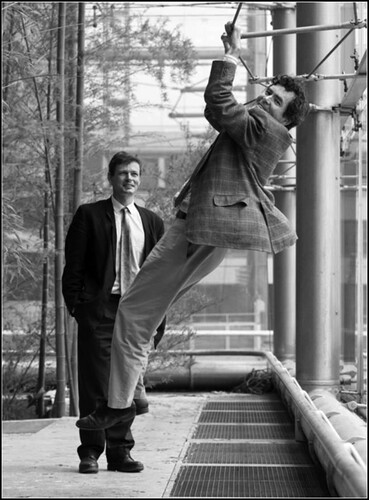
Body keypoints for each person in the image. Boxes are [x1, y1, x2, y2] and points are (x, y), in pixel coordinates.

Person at [76, 22, 309, 431]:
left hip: (196, 231)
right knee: (147, 315)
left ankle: (117, 407)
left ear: (285, 119)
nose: (265, 99)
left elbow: (219, 102)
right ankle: (133, 393)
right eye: (267, 92)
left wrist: (231, 55)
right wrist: (236, 64)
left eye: (274, 100)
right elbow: (218, 111)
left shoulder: (265, 130)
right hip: (210, 232)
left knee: (131, 312)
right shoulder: (260, 124)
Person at [62, 151, 165, 474]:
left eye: (135, 173)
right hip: (101, 308)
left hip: (137, 310)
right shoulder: (90, 215)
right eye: (123, 173)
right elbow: (74, 267)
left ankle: (120, 452)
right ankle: (90, 450)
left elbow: (161, 274)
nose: (129, 178)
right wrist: (79, 307)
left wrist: (159, 317)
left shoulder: (151, 221)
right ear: (111, 178)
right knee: (95, 381)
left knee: (128, 378)